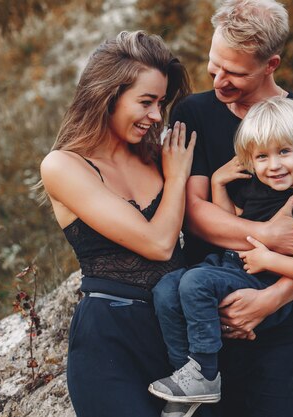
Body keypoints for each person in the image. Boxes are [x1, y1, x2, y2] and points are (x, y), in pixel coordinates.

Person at [170, 1, 293, 416]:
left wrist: (270, 299)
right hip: (206, 307)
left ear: (271, 64)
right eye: (214, 66)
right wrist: (267, 236)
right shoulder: (192, 113)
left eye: (235, 72)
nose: (219, 80)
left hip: (280, 321)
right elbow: (193, 213)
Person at [38, 30, 195, 417]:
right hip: (109, 344)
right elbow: (159, 243)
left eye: (160, 103)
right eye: (145, 102)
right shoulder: (63, 165)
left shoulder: (159, 156)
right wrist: (176, 179)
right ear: (108, 95)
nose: (157, 116)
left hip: (176, 334)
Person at [147, 97, 293, 414]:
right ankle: (189, 379)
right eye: (262, 157)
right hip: (231, 268)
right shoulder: (260, 187)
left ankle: (205, 373)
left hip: (262, 284)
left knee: (195, 283)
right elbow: (233, 227)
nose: (273, 165)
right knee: (165, 289)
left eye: (284, 152)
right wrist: (219, 184)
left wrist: (268, 260)